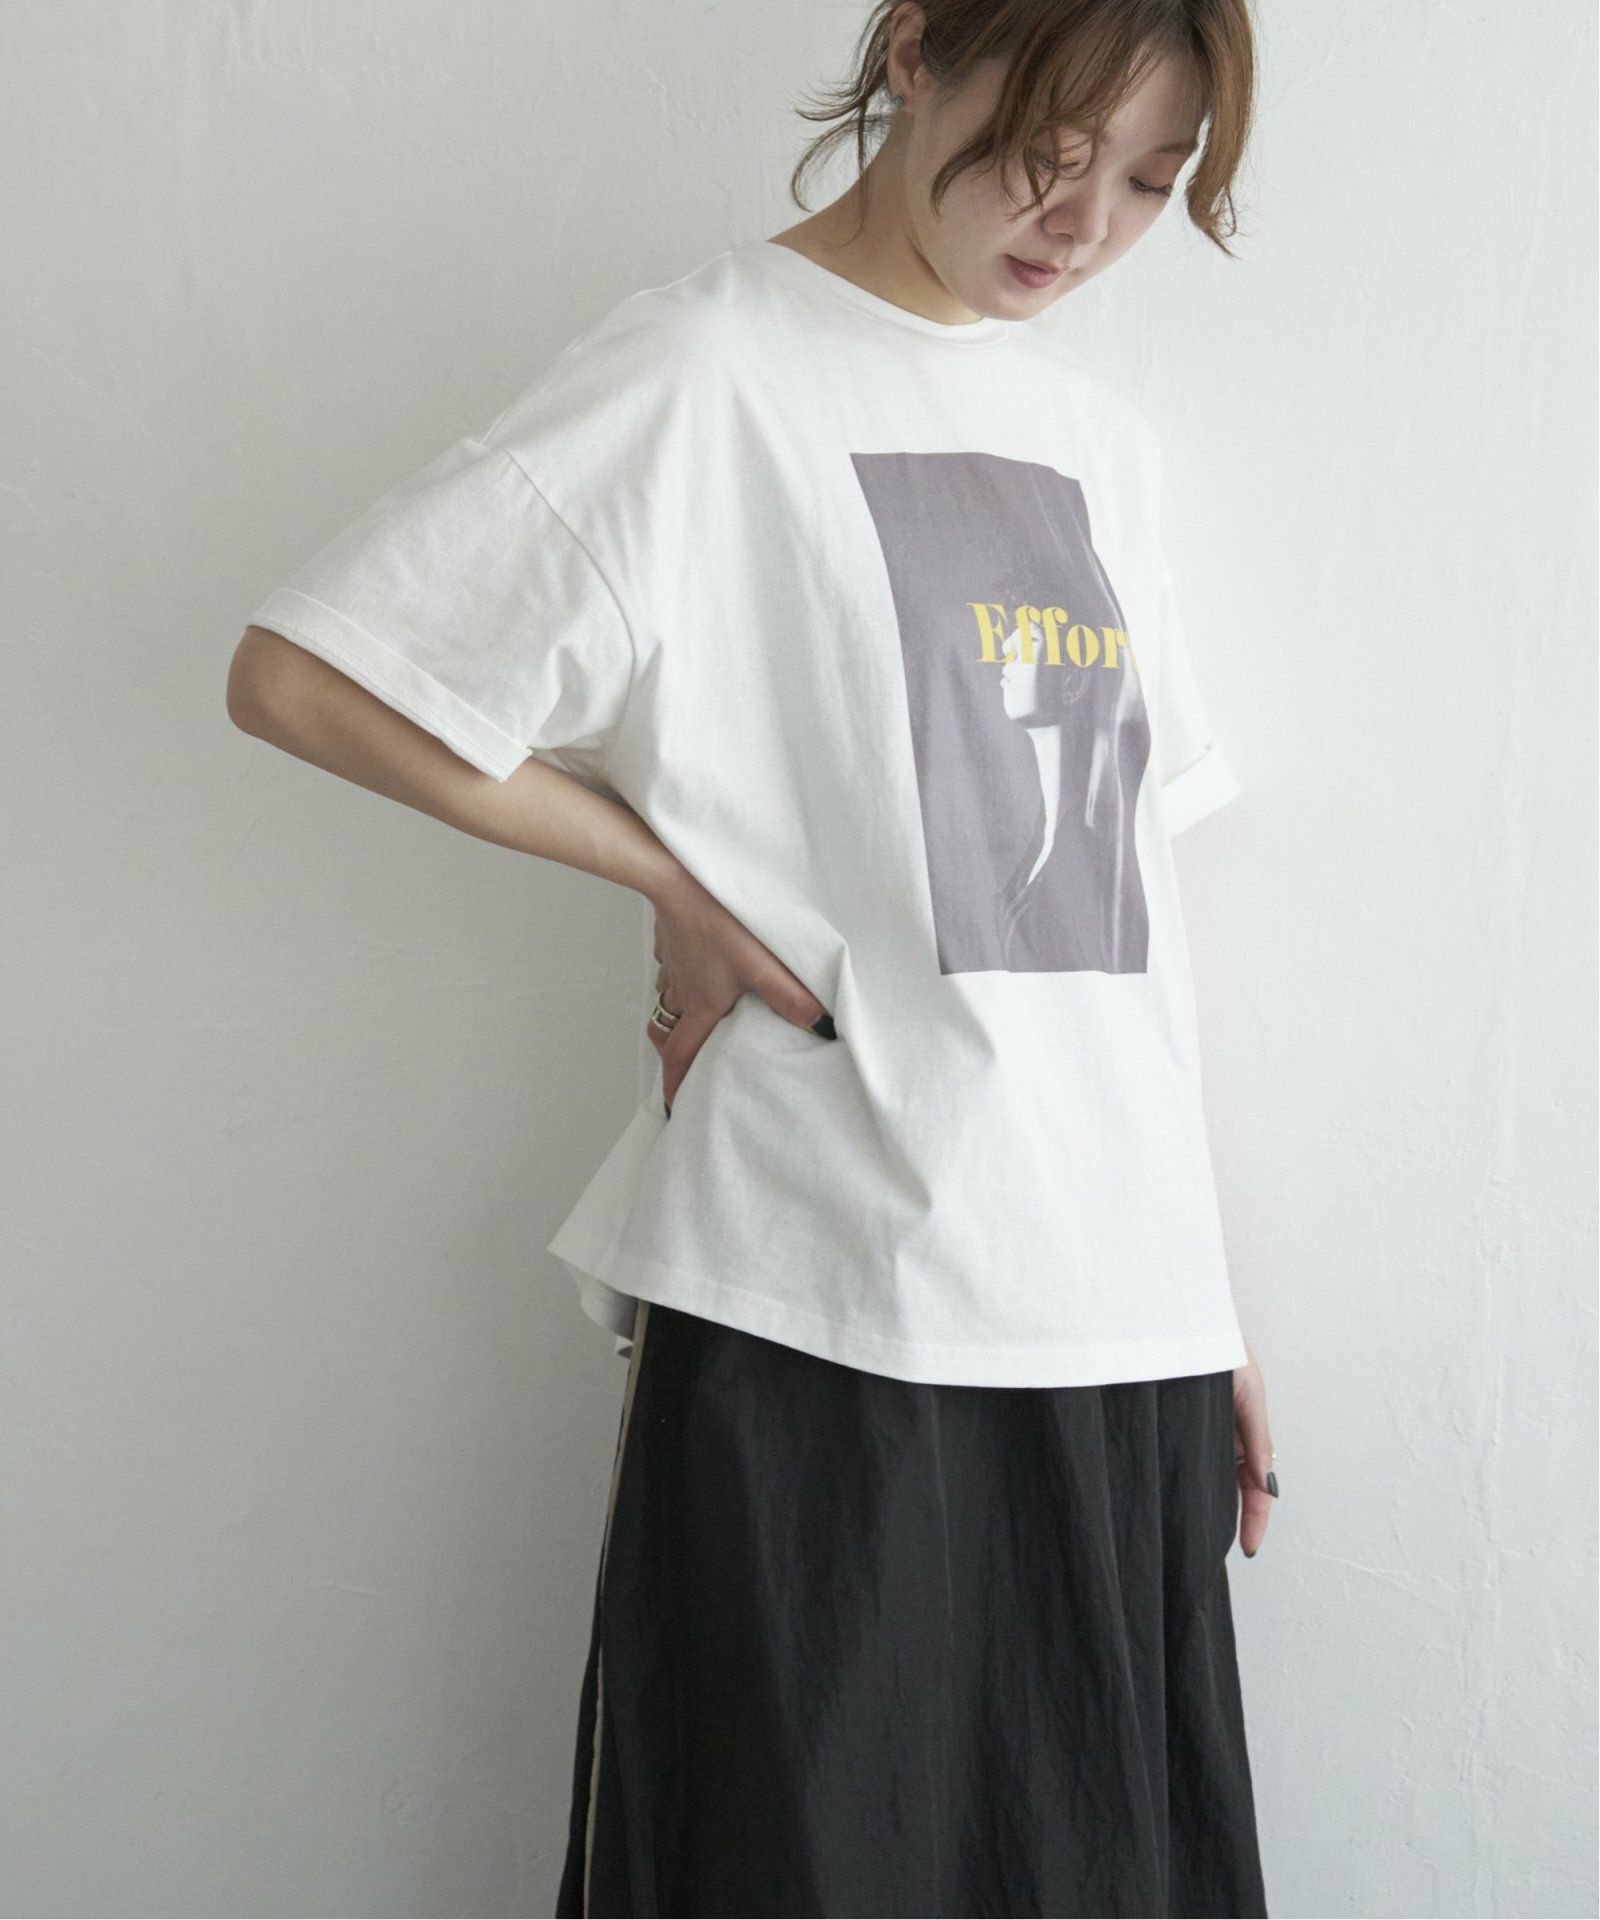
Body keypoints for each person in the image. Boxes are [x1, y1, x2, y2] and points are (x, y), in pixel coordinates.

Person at [226, 0, 1279, 1911]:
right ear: (915, 51)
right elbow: (309, 676)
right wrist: (667, 874)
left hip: (1108, 1309)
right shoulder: (707, 373)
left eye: (1148, 181)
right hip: (831, 1285)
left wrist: (1203, 1300)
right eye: (1052, 154)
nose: (1085, 225)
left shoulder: (1097, 443)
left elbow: (1124, 922)